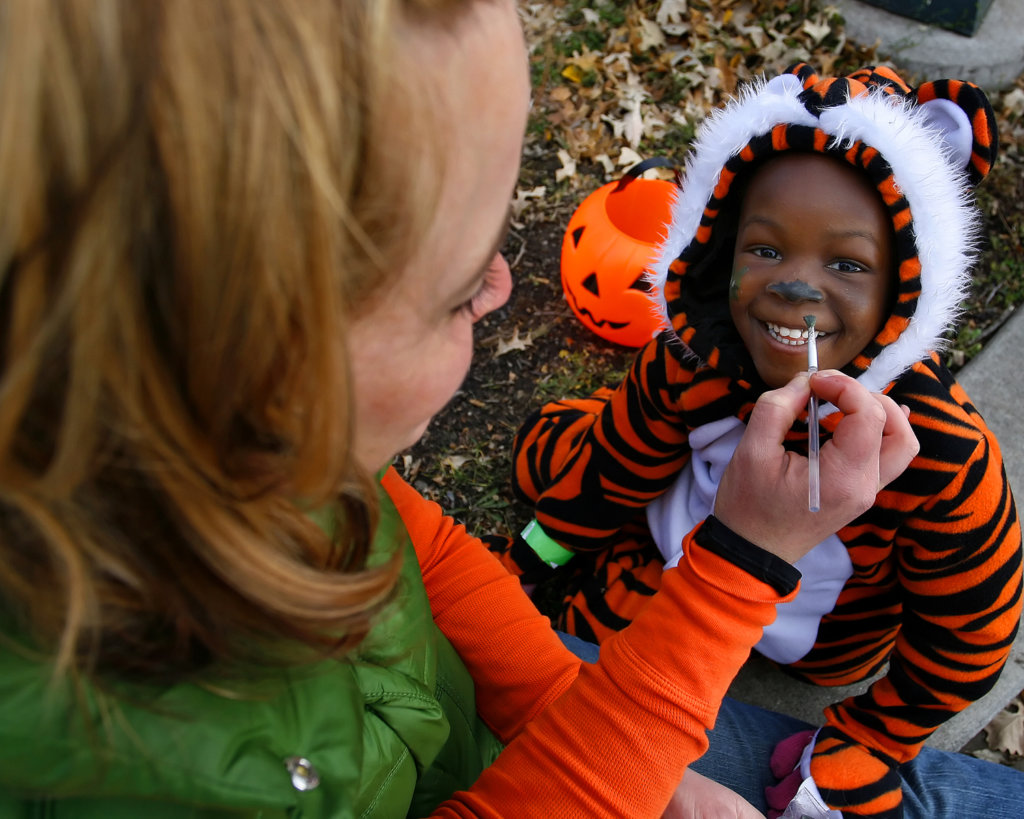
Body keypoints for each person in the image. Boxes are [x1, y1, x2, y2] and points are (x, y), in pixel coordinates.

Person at [0, 3, 1019, 816]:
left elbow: (415, 545)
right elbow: (613, 467)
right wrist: (740, 566)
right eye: (453, 294)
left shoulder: (273, 461)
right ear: (244, 361)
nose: (501, 287)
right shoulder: (100, 773)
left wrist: (607, 735)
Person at [495, 63, 1024, 817]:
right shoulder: (689, 361)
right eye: (766, 249)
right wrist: (531, 556)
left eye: (846, 264)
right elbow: (609, 474)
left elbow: (970, 633)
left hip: (815, 641)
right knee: (579, 470)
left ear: (906, 285)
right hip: (672, 555)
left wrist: (872, 735)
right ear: (720, 248)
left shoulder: (936, 452)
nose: (795, 286)